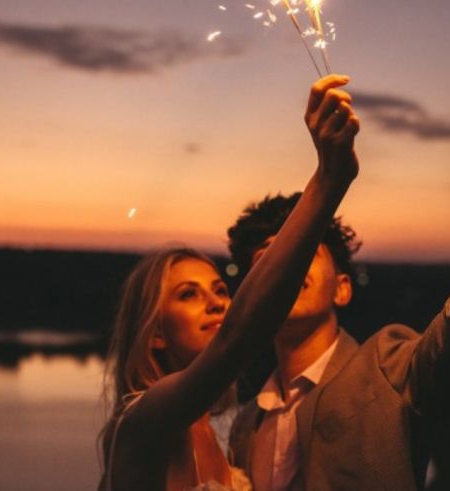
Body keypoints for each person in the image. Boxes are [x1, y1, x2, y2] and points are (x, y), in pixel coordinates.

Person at [226, 0, 450, 489]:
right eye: (269, 262)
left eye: (302, 253)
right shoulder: (241, 426)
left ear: (342, 288)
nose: (287, 269)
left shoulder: (389, 372)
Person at [97, 74, 361, 491]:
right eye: (188, 294)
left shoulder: (232, 436)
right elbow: (238, 337)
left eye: (221, 290)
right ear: (155, 336)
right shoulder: (143, 419)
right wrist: (329, 182)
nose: (217, 303)